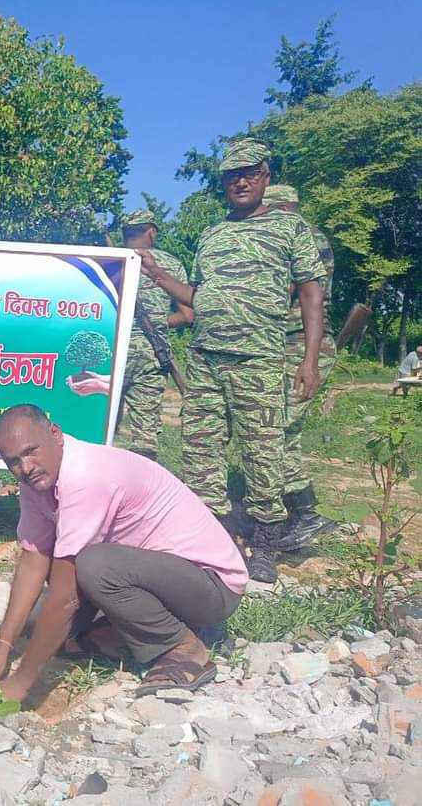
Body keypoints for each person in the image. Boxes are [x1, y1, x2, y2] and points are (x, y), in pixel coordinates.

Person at [138, 138, 326, 584]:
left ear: (265, 177)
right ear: (223, 183)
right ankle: (212, 541)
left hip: (258, 359)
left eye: (249, 173)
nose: (240, 181)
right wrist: (158, 275)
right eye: (231, 175)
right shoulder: (213, 235)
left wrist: (310, 360)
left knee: (263, 453)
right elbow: (199, 299)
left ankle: (265, 543)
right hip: (205, 359)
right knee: (200, 452)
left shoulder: (289, 229)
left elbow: (310, 293)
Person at [0, 405, 247, 701]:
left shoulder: (86, 475)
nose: (26, 467)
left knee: (91, 565)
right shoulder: (36, 481)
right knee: (42, 621)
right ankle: (123, 635)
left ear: (56, 434)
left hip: (212, 587)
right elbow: (34, 560)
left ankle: (182, 647)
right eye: (14, 461)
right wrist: (2, 647)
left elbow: (65, 596)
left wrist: (21, 682)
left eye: (31, 451)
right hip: (160, 578)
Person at [262, 185, 339, 545]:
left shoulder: (296, 236)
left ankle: (303, 514)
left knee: (273, 432)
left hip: (298, 345)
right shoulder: (313, 236)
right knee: (280, 432)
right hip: (293, 344)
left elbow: (290, 291)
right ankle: (296, 512)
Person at [117, 210, 192, 462]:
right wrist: (159, 322)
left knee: (101, 425)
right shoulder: (168, 265)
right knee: (145, 437)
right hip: (152, 354)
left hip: (111, 354)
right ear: (152, 231)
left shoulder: (109, 261)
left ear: (124, 233)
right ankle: (143, 493)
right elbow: (188, 315)